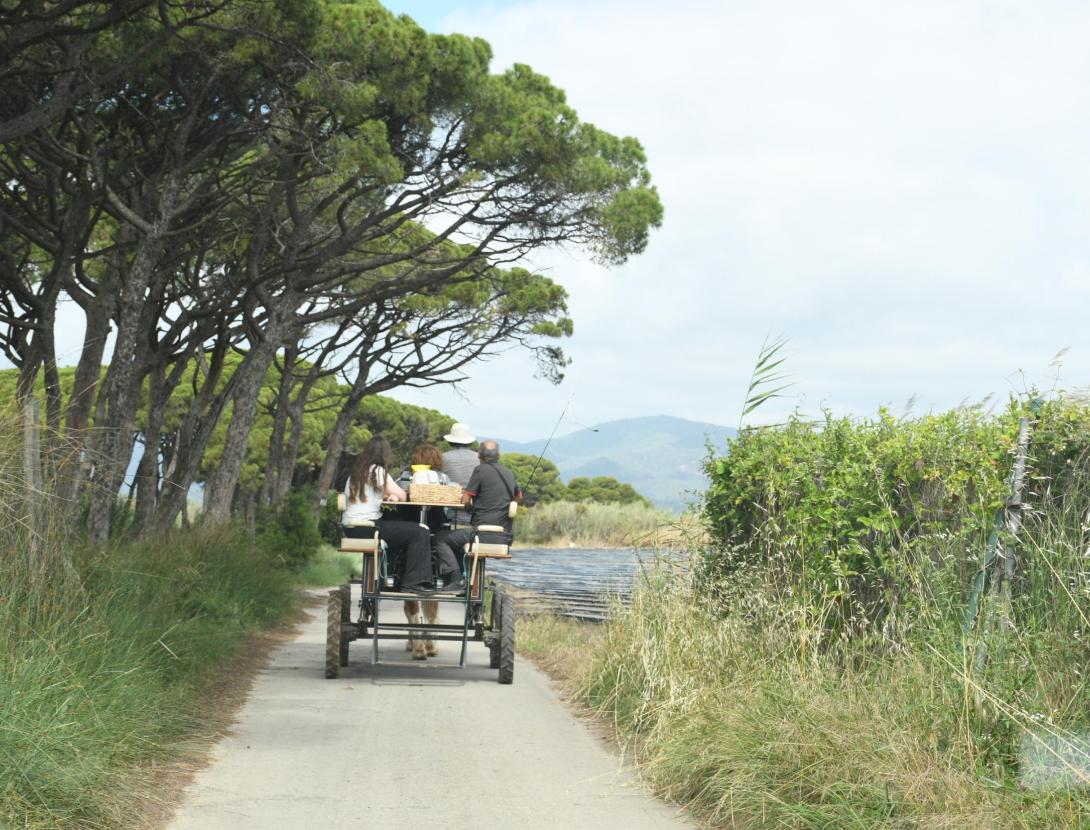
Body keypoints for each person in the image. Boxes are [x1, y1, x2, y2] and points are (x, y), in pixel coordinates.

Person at [342, 435, 434, 592]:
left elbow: (377, 495)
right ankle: (413, 583)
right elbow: (403, 496)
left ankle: (391, 575)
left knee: (398, 522)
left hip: (351, 527)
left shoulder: (357, 472)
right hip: (368, 526)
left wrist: (390, 496)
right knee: (420, 532)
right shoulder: (377, 471)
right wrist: (396, 494)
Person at [434, 439, 522, 592]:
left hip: (480, 534)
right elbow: (519, 497)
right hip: (503, 536)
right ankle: (470, 583)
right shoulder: (509, 472)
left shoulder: (480, 470)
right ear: (498, 456)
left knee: (440, 539)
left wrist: (469, 508)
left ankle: (457, 579)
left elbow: (466, 499)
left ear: (480, 456)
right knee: (457, 539)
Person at [441, 421, 478, 526]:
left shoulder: (443, 457)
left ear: (450, 441)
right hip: (473, 509)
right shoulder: (480, 458)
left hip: (448, 509)